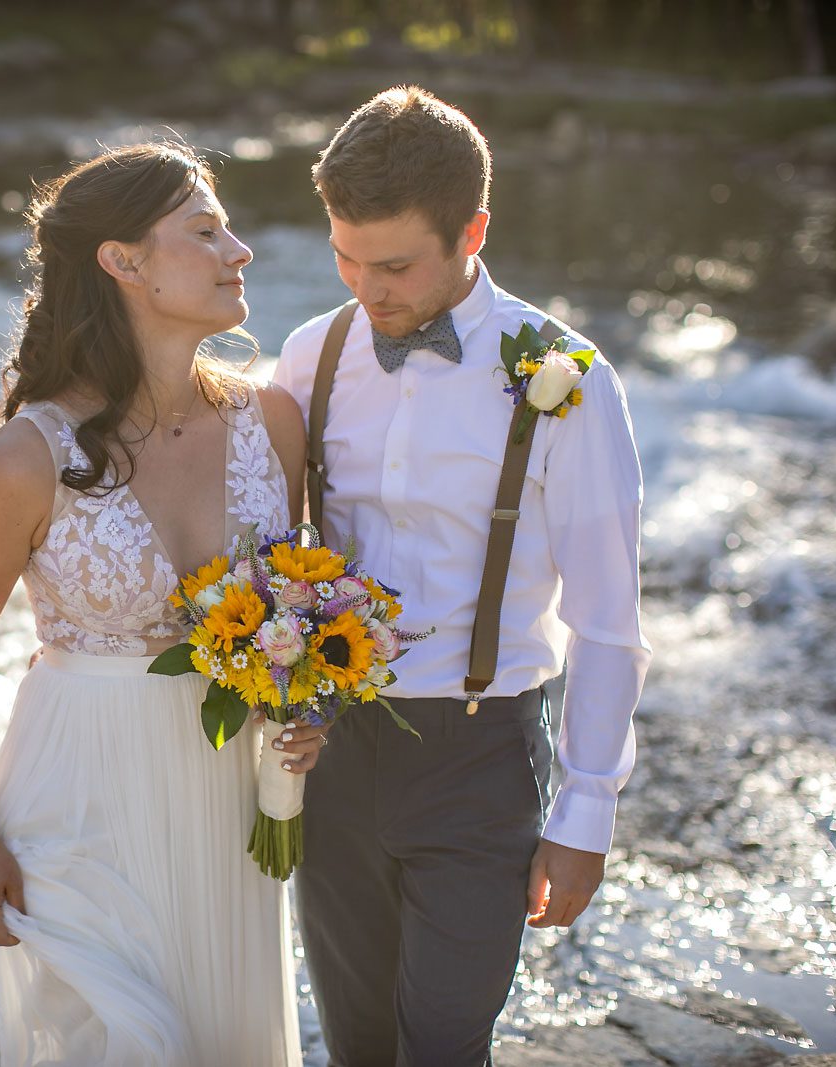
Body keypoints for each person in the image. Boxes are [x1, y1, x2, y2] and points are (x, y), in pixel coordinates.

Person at [272, 86, 651, 1066]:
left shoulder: (566, 378)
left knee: (442, 1043)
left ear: (472, 228)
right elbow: (267, 543)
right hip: (337, 754)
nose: (366, 289)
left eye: (393, 265)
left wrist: (586, 811)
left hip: (478, 760)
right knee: (357, 1046)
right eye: (344, 256)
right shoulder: (312, 355)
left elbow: (607, 617)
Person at [0, 141, 319, 1066]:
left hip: (229, 807)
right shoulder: (27, 457)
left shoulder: (275, 424)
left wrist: (305, 719)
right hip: (76, 810)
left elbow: (295, 615)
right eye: (207, 230)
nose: (241, 251)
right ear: (122, 260)